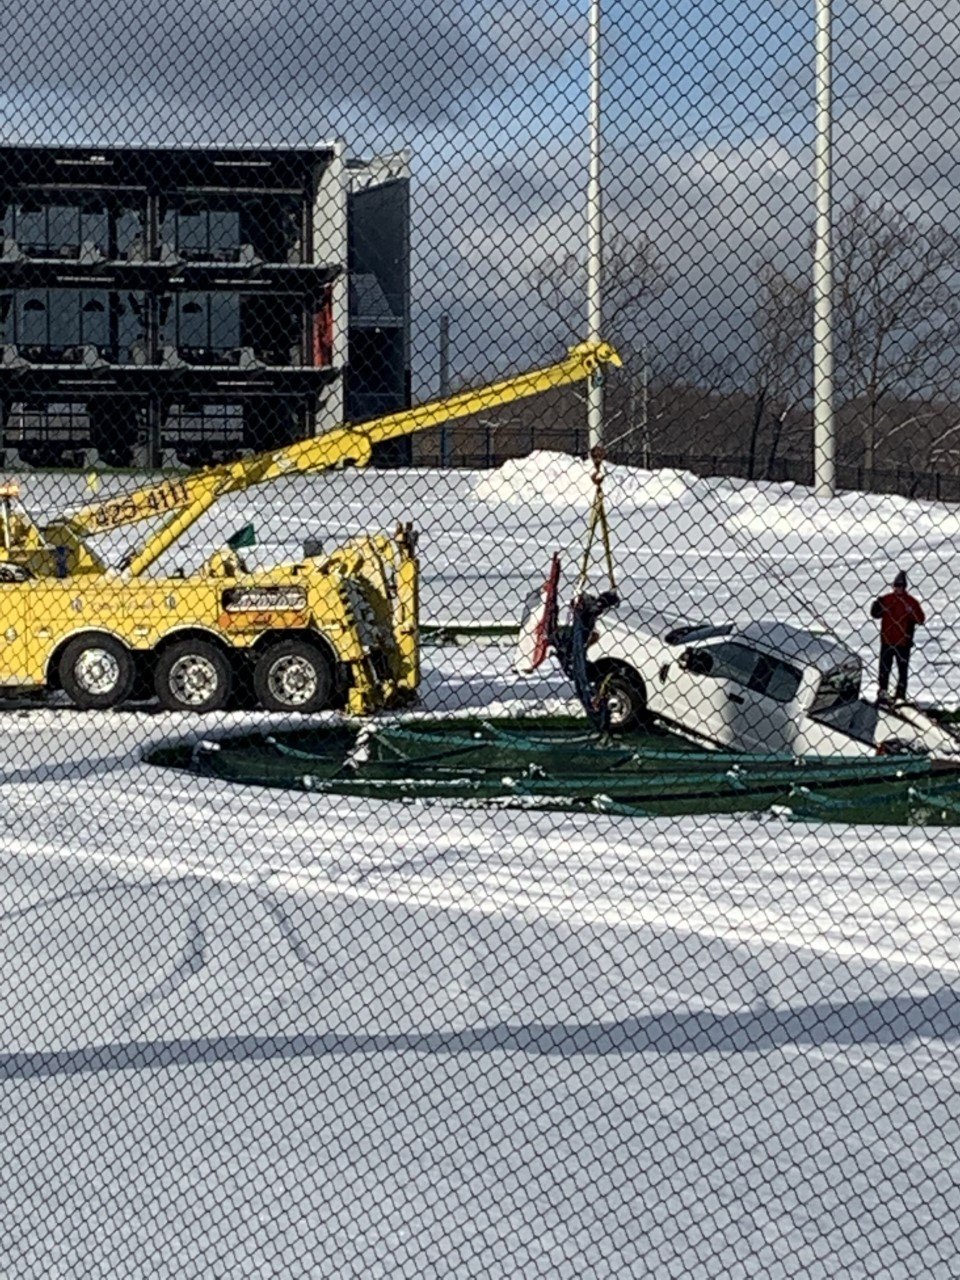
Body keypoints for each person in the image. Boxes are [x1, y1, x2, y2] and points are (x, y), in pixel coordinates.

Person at [870, 570, 925, 703]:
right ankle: (883, 691)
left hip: (903, 643)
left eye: (900, 585)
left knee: (902, 671)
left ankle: (900, 695)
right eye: (896, 585)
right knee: (884, 668)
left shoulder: (911, 603)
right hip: (887, 641)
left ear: (904, 587)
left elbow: (920, 619)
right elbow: (875, 614)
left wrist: (911, 613)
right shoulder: (886, 599)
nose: (898, 588)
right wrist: (876, 606)